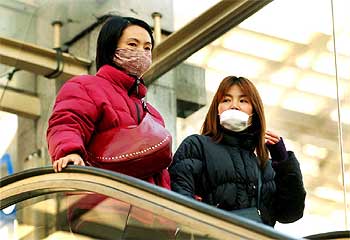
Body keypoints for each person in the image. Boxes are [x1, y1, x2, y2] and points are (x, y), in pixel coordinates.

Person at [47, 15, 172, 189]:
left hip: (149, 209)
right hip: (103, 205)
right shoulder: (86, 87)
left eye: (147, 48)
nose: (141, 53)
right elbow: (67, 122)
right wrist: (70, 153)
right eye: (132, 45)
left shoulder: (153, 114)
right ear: (110, 47)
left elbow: (161, 173)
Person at [169, 76, 306, 226]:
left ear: (255, 111)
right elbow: (180, 199)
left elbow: (290, 213)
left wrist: (284, 163)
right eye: (226, 100)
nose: (234, 106)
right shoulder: (197, 146)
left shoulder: (265, 166)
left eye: (243, 101)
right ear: (217, 109)